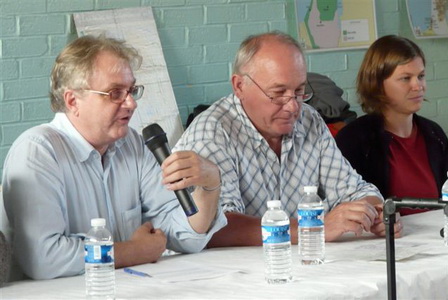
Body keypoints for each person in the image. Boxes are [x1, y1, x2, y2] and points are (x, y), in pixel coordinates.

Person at [2, 35, 226, 280]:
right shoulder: (38, 151)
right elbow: (44, 259)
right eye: (114, 93)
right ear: (73, 100)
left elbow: (184, 237)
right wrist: (135, 251)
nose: (131, 103)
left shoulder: (131, 144)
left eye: (131, 91)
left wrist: (210, 184)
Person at [173, 31, 403, 248]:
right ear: (239, 86)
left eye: (299, 91)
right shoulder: (212, 132)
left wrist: (375, 211)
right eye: (277, 93)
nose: (293, 106)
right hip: (230, 276)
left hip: (299, 263)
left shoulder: (309, 119)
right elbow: (217, 228)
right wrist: (315, 228)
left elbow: (352, 190)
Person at [336, 35, 448, 216]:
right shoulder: (354, 140)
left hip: (435, 238)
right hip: (383, 241)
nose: (417, 86)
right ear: (378, 84)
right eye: (406, 78)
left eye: (421, 76)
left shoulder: (434, 134)